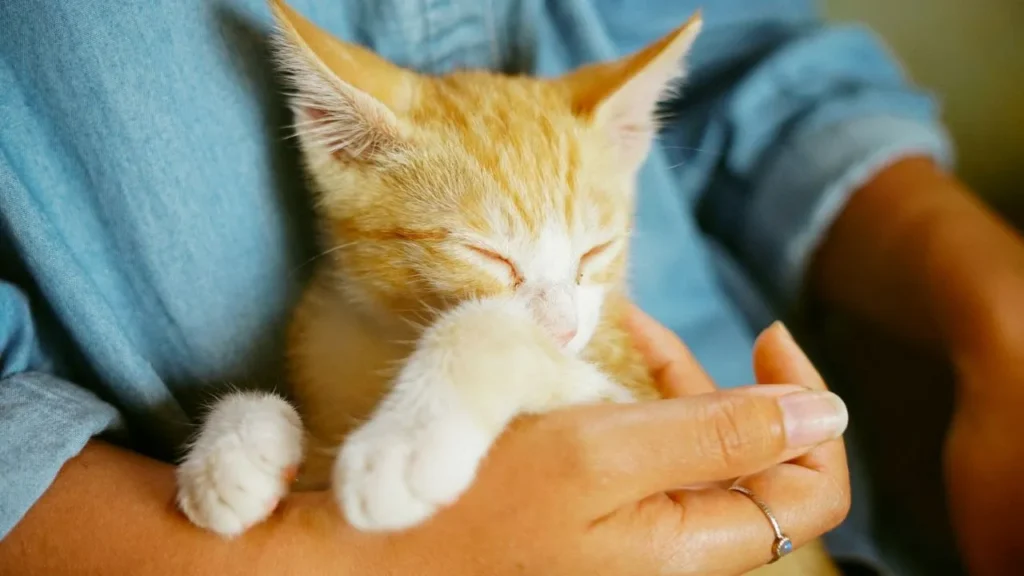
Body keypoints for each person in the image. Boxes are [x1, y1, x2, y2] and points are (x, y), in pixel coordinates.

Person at [0, 0, 1020, 574]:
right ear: (340, 144)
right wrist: (279, 501)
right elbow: (347, 494)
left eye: (590, 261)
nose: (566, 317)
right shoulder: (331, 304)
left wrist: (1001, 315)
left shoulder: (574, 266)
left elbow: (747, 73)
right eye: (493, 264)